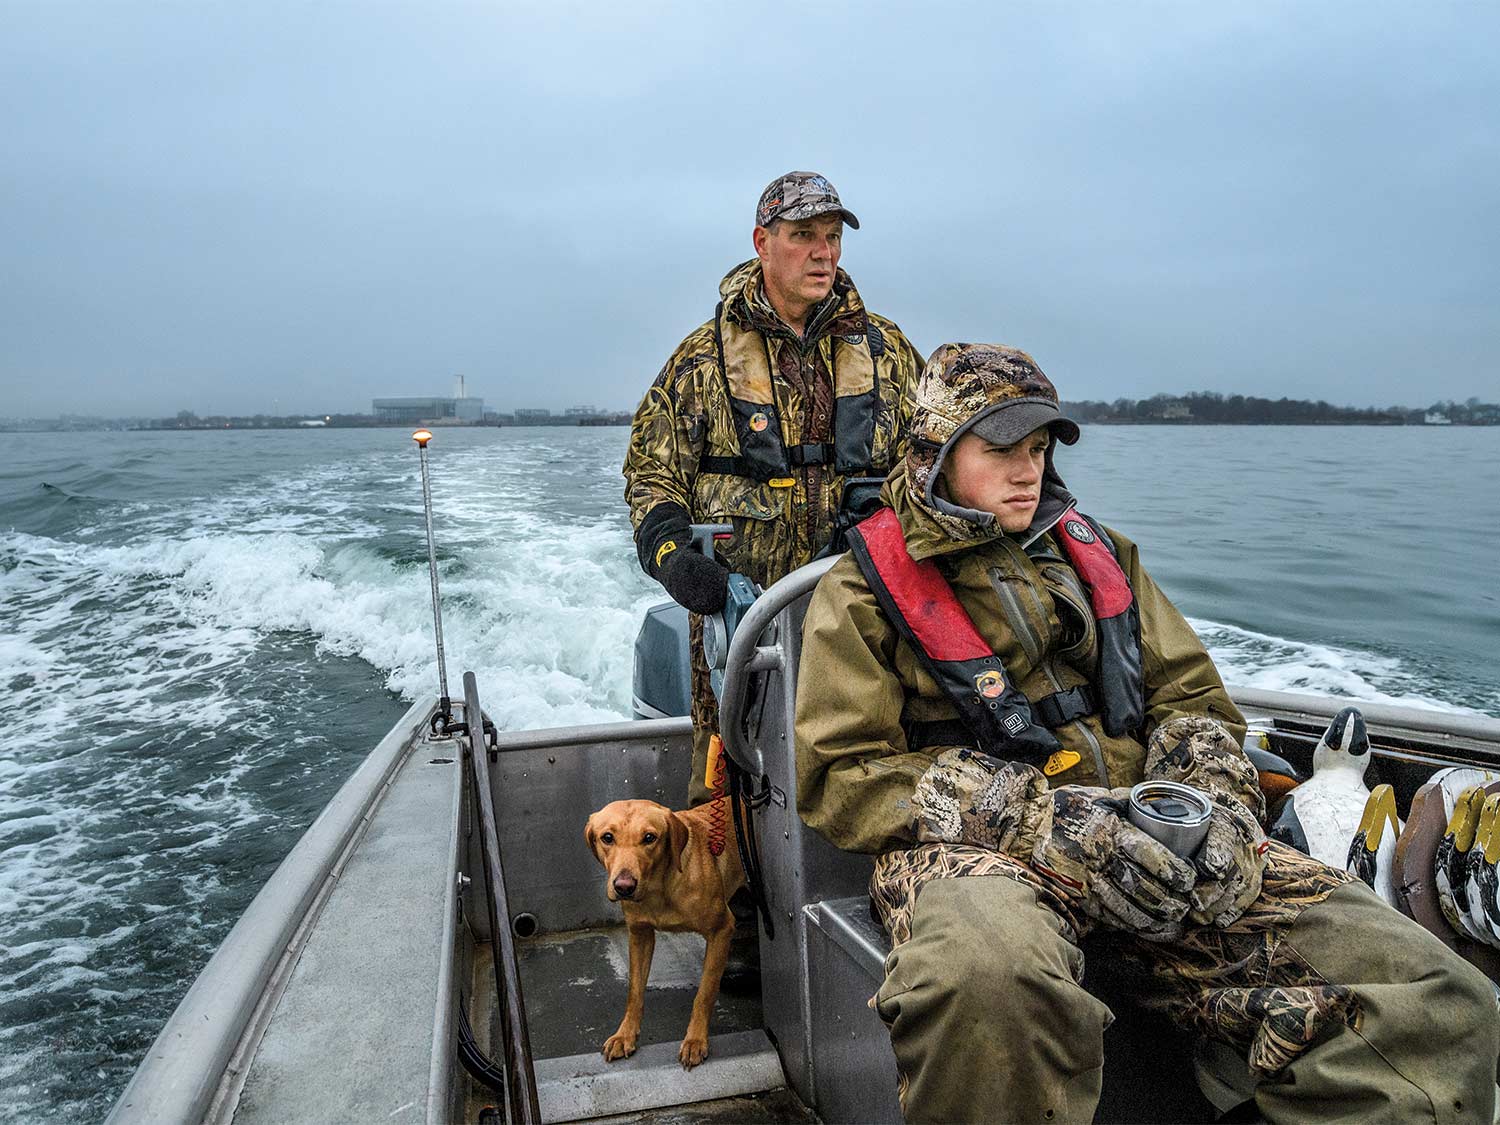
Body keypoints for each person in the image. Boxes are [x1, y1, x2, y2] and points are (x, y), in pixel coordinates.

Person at [794, 342, 1498, 1124]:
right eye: (1000, 450)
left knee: (1432, 994)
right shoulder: (859, 592)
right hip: (979, 852)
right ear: (934, 453)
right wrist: (1040, 822)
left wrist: (1219, 806)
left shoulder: (1102, 555)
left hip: (1155, 840)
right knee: (986, 984)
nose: (1028, 470)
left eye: (1038, 448)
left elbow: (1191, 695)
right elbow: (839, 775)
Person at [624, 170, 923, 804]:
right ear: (763, 242)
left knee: (868, 772)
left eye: (834, 236)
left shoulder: (889, 353)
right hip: (739, 636)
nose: (824, 252)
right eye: (804, 235)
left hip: (863, 621)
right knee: (727, 797)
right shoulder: (702, 360)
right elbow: (652, 476)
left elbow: (930, 464)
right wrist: (676, 562)